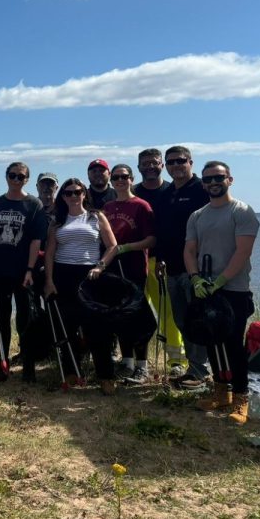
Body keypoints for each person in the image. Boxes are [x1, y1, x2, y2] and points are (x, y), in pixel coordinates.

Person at [185, 161, 259, 424]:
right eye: (208, 179)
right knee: (211, 340)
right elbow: (190, 250)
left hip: (234, 290)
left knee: (233, 345)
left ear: (230, 179)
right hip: (204, 289)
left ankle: (241, 399)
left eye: (218, 177)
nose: (213, 183)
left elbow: (243, 251)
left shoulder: (242, 211)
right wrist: (195, 278)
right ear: (203, 183)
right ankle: (220, 392)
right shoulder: (197, 215)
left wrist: (221, 281)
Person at [43, 178, 120, 395]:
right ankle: (71, 372)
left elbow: (113, 246)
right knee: (67, 327)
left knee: (97, 328)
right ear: (63, 197)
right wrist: (49, 281)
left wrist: (101, 266)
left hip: (91, 276)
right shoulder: (57, 221)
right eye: (68, 193)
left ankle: (106, 376)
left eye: (77, 192)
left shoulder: (96, 216)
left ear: (84, 193)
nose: (73, 196)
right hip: (63, 274)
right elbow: (49, 252)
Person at [0, 162, 47, 382]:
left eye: (21, 177)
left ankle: (28, 365)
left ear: (27, 179)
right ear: (6, 177)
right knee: (2, 320)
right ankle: (2, 362)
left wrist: (29, 269)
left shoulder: (34, 205)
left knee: (26, 319)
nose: (16, 180)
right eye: (13, 176)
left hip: (24, 273)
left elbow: (36, 240)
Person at [155, 146, 211, 389]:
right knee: (182, 321)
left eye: (180, 161)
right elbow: (164, 232)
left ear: (191, 162)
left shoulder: (201, 189)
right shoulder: (167, 193)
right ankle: (194, 369)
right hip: (172, 268)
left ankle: (203, 372)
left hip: (196, 270)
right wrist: (159, 259)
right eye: (171, 162)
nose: (176, 166)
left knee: (198, 321)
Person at [102, 164, 156, 384]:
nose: (120, 180)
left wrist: (126, 247)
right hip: (113, 271)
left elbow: (152, 239)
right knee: (119, 316)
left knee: (137, 317)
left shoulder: (141, 206)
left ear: (132, 179)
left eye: (124, 177)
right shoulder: (107, 207)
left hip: (134, 270)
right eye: (116, 177)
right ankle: (127, 362)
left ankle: (142, 366)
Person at [133, 148, 183, 368]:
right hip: (134, 261)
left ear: (162, 165)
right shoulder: (132, 193)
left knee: (168, 312)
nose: (150, 167)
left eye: (154, 162)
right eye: (145, 163)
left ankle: (176, 361)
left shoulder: (171, 191)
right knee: (135, 311)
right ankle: (136, 360)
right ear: (139, 167)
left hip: (161, 262)